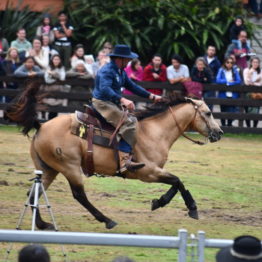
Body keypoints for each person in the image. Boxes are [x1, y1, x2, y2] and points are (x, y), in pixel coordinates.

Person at [92, 44, 162, 174]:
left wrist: (151, 96)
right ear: (120, 59)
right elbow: (105, 89)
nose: (129, 61)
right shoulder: (107, 71)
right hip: (102, 103)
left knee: (133, 120)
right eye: (127, 59)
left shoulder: (121, 71)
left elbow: (132, 86)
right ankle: (124, 162)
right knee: (128, 123)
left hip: (111, 102)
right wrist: (122, 99)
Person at [216, 57, 242, 126]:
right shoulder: (221, 70)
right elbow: (218, 80)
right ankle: (223, 126)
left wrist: (230, 83)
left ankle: (229, 125)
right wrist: (227, 82)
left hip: (232, 94)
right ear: (225, 63)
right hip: (223, 94)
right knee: (223, 111)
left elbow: (239, 81)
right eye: (228, 62)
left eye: (231, 63)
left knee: (231, 111)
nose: (229, 64)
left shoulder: (235, 70)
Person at [43, 54, 67, 120]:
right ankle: (48, 122)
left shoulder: (62, 68)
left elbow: (62, 78)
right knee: (49, 106)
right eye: (55, 59)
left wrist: (53, 74)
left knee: (56, 106)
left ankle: (54, 122)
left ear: (60, 60)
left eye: (57, 59)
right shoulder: (49, 67)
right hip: (50, 89)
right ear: (52, 60)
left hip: (58, 90)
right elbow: (47, 80)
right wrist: (56, 78)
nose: (56, 61)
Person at [243, 56, 262, 128]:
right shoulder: (246, 70)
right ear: (251, 63)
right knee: (247, 110)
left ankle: (254, 127)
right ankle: (248, 127)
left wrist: (253, 82)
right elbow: (246, 82)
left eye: (257, 62)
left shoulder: (260, 72)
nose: (255, 64)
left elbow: (260, 84)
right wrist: (250, 73)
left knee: (256, 111)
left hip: (257, 94)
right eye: (254, 62)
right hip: (248, 93)